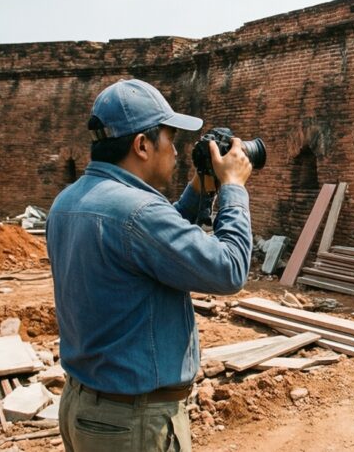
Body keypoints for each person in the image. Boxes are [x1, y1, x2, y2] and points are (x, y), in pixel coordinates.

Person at [47, 78, 253, 451]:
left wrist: (199, 189)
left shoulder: (67, 201)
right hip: (133, 424)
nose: (175, 152)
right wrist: (234, 188)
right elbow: (229, 269)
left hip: (86, 407)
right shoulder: (138, 212)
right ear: (142, 145)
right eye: (170, 139)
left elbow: (147, 245)